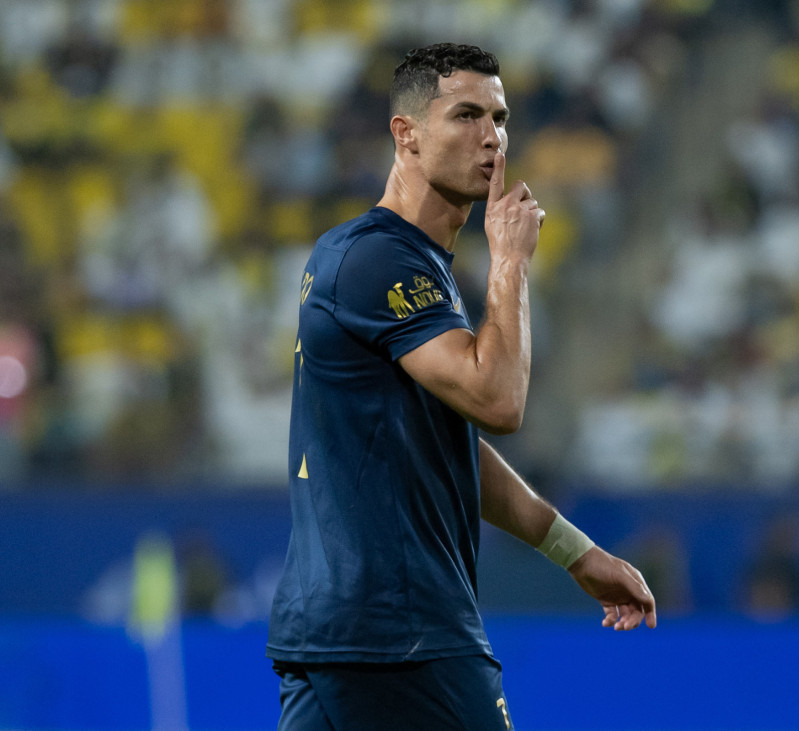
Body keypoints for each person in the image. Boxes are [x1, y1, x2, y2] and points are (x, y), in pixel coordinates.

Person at [267, 43, 656, 730]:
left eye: (500, 118)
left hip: (357, 637)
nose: (492, 137)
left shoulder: (405, 264)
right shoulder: (377, 257)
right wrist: (509, 263)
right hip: (399, 634)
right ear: (405, 134)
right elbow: (497, 402)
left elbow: (451, 447)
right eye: (467, 115)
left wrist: (575, 551)